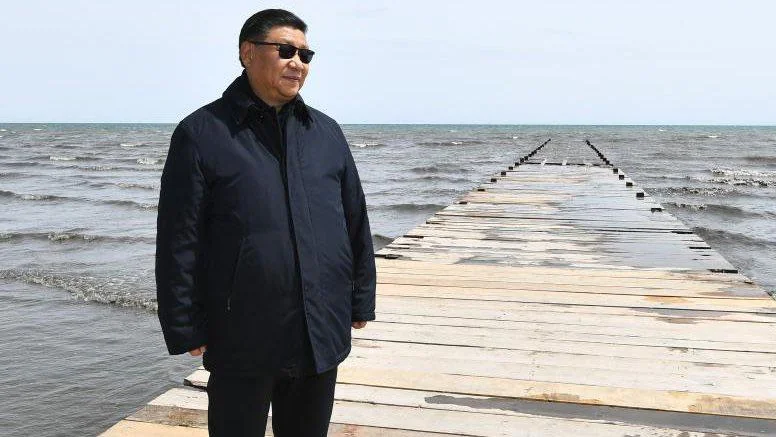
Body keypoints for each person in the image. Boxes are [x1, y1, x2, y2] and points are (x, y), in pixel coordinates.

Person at [155, 9, 376, 437]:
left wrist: (360, 296)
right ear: (248, 53)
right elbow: (179, 239)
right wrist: (184, 323)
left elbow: (355, 219)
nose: (298, 63)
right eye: (286, 50)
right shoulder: (201, 133)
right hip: (241, 333)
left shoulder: (326, 133)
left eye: (306, 55)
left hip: (318, 330)